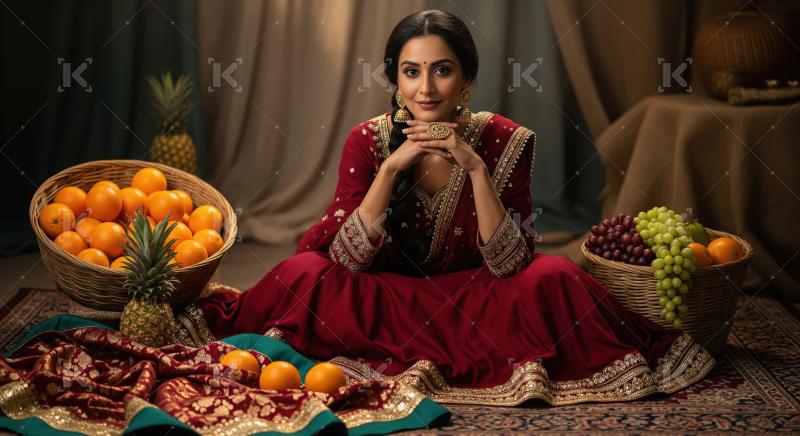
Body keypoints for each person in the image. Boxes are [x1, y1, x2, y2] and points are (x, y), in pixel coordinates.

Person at [193, 9, 714, 406]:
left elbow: (508, 265)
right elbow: (348, 260)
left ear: (466, 79)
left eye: (441, 71)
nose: (425, 88)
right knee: (305, 272)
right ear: (394, 80)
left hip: (476, 301)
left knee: (552, 276)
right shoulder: (367, 142)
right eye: (411, 72)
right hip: (384, 298)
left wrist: (476, 170)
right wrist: (393, 168)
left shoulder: (506, 141)